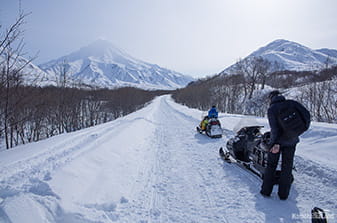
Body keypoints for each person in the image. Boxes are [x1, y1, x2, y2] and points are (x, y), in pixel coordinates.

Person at [260, 90, 310, 200]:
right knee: (287, 167)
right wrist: (298, 132)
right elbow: (307, 116)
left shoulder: (272, 109)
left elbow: (275, 129)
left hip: (278, 143)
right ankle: (283, 195)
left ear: (271, 98)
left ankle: (266, 191)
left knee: (271, 165)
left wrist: (272, 144)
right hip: (292, 141)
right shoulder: (293, 103)